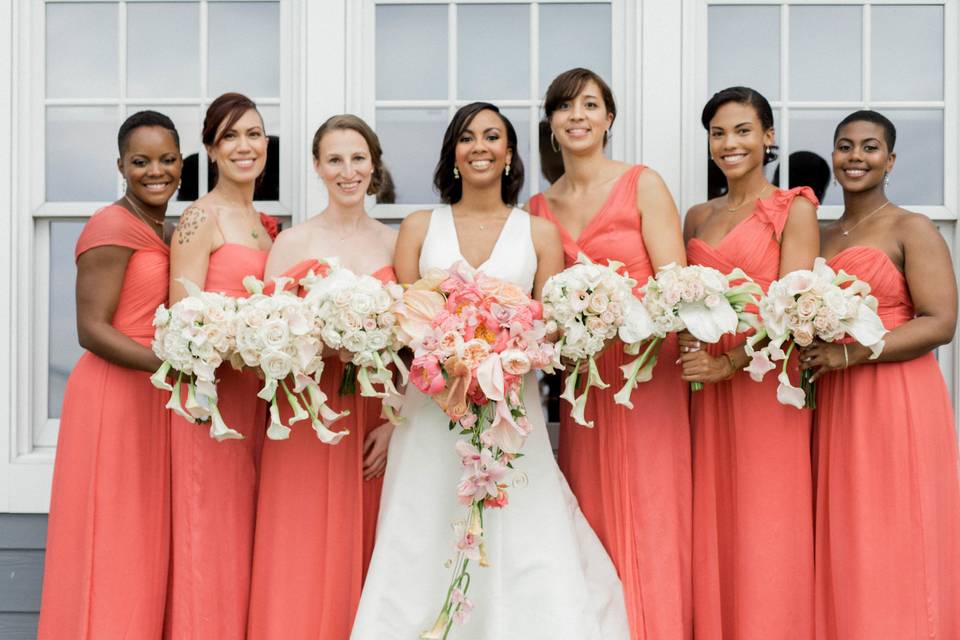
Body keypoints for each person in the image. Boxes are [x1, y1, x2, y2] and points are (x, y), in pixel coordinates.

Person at [351, 102, 630, 639]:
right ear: (453, 154)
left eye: (492, 137)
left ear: (509, 154)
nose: (479, 146)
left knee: (515, 523)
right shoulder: (417, 227)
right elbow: (406, 331)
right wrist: (403, 407)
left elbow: (548, 331)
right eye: (467, 137)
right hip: (433, 412)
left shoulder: (539, 234)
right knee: (425, 525)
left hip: (510, 410)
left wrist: (504, 356)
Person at [527, 67, 691, 639]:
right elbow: (537, 306)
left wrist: (622, 311)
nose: (578, 116)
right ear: (550, 123)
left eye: (590, 105)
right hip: (583, 386)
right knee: (591, 512)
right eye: (566, 107)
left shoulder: (642, 183)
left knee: (652, 508)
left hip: (647, 372)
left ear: (609, 119)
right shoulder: (537, 209)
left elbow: (675, 287)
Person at [801, 110, 960, 639]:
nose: (855, 157)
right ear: (833, 156)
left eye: (870, 148)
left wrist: (851, 355)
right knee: (848, 527)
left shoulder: (912, 228)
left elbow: (940, 323)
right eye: (845, 147)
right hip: (835, 396)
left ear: (890, 161)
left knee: (895, 521)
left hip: (896, 392)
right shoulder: (819, 236)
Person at [247, 114, 398, 639]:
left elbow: (411, 347)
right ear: (317, 167)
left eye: (358, 158)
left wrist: (396, 422)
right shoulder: (291, 244)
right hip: (305, 415)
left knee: (371, 543)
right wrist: (317, 339)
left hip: (372, 412)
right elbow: (265, 337)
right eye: (335, 159)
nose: (348, 170)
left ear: (373, 164)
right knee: (301, 541)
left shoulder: (395, 244)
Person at [680, 86, 819, 639]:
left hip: (768, 383)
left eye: (742, 131)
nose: (729, 144)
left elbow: (795, 310)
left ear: (768, 137)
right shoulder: (698, 215)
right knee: (715, 519)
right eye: (718, 133)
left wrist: (731, 362)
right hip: (704, 389)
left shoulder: (795, 208)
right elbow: (681, 299)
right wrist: (691, 350)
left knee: (768, 519)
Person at [38, 111, 182, 638]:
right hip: (113, 394)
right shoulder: (111, 224)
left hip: (155, 395)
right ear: (120, 165)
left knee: (142, 532)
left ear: (182, 165)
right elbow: (91, 330)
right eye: (141, 161)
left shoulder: (166, 227)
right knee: (112, 531)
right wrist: (175, 368)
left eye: (167, 159)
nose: (155, 171)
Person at [165, 92, 277, 640]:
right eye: (230, 135)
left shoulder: (265, 225)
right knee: (210, 533)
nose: (244, 146)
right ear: (210, 149)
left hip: (259, 402)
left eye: (253, 134)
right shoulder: (198, 218)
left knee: (250, 534)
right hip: (211, 406)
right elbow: (181, 322)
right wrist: (237, 341)